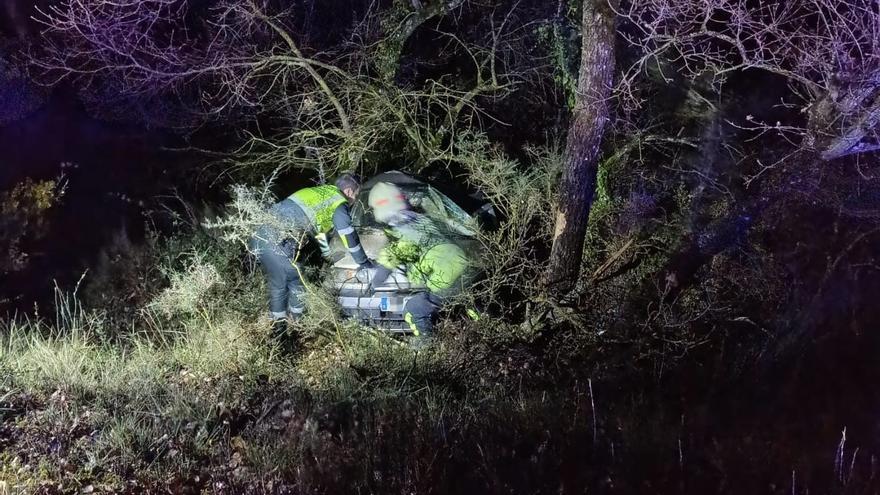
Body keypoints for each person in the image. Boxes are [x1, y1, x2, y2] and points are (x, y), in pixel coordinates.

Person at [250, 173, 374, 346]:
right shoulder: (338, 201)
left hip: (260, 235)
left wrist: (327, 255)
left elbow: (319, 232)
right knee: (295, 281)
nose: (354, 201)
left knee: (281, 283)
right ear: (348, 191)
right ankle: (288, 334)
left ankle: (282, 331)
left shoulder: (319, 194)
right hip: (278, 238)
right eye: (355, 195)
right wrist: (363, 262)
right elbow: (347, 234)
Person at [367, 182, 471, 346]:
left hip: (446, 278)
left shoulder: (401, 234)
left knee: (413, 309)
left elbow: (387, 264)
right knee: (469, 301)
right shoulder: (422, 219)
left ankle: (427, 344)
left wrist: (372, 286)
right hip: (466, 268)